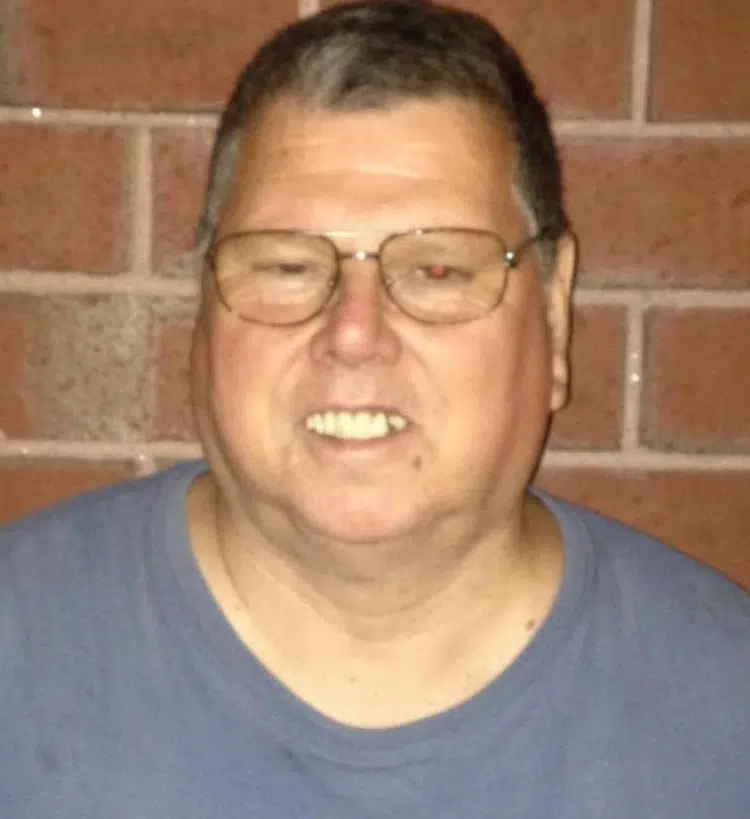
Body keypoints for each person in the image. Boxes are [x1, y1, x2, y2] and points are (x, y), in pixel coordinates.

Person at [1, 1, 748, 815]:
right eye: (287, 266)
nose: (354, 334)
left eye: (437, 271)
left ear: (554, 312)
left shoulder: (724, 713)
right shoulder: (20, 654)